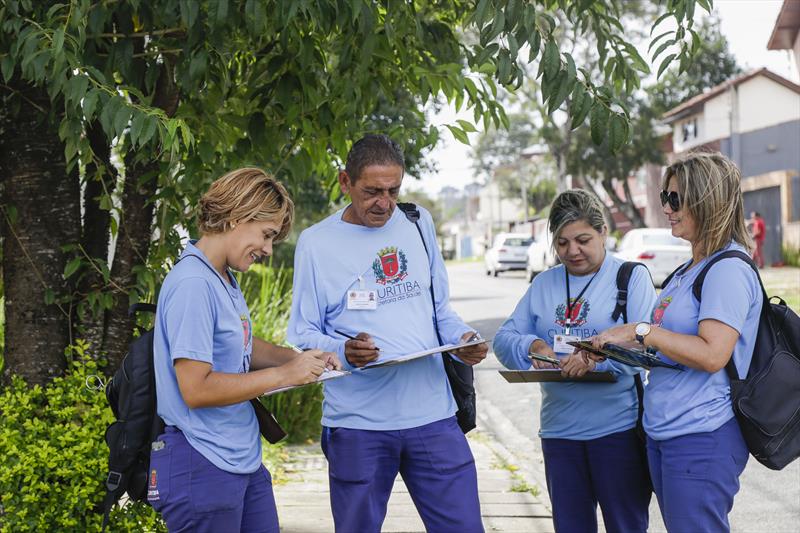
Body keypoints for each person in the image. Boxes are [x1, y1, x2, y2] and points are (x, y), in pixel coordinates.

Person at [287, 134, 489, 533]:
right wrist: (344, 351)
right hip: (357, 423)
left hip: (433, 416)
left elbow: (440, 312)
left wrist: (464, 339)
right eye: (372, 191)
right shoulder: (315, 243)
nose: (384, 203)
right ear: (345, 182)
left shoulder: (418, 222)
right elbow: (304, 332)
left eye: (394, 190)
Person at [148, 168, 341, 532]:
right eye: (266, 235)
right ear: (238, 217)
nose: (268, 250)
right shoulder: (193, 284)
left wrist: (300, 359)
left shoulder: (223, 277)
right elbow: (196, 388)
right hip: (201, 462)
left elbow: (242, 347)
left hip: (240, 459)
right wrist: (284, 375)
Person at [590, 152, 761, 532]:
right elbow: (668, 345)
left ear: (707, 201)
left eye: (675, 199)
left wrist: (642, 330)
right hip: (667, 429)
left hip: (703, 432)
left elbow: (713, 354)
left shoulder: (728, 269)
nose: (666, 208)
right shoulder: (689, 270)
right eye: (665, 197)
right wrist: (613, 344)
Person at [494, 189, 656, 533]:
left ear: (603, 233)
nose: (572, 251)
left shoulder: (630, 277)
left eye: (582, 240)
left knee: (626, 526)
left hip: (617, 433)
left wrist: (596, 361)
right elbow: (503, 340)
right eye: (562, 243)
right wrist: (532, 344)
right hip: (559, 433)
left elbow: (645, 351)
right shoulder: (544, 283)